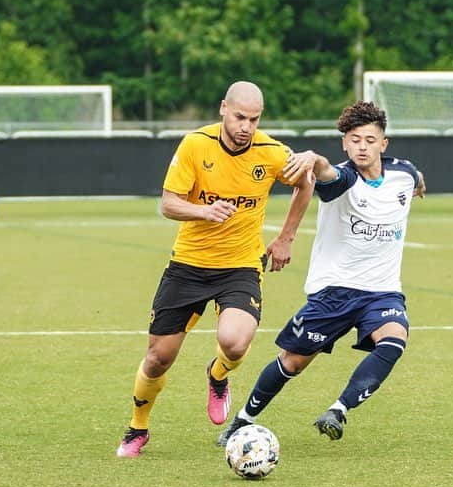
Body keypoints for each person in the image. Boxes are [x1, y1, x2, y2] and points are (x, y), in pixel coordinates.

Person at [116, 81, 318, 458]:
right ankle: (137, 428)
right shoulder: (195, 144)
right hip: (188, 265)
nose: (246, 126)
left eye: (254, 119)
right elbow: (168, 203)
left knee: (235, 342)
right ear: (223, 108)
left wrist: (286, 237)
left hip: (240, 266)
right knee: (158, 358)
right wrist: (203, 211)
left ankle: (218, 374)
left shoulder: (271, 151)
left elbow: (305, 183)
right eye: (240, 117)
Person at [216, 100, 425, 446]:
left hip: (382, 291)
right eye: (354, 139)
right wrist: (313, 159)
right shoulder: (341, 178)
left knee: (394, 340)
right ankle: (243, 419)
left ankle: (338, 410)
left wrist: (420, 183)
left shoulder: (403, 173)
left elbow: (414, 178)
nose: (362, 146)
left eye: (370, 140)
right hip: (334, 293)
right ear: (345, 142)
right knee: (293, 363)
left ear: (383, 144)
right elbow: (326, 172)